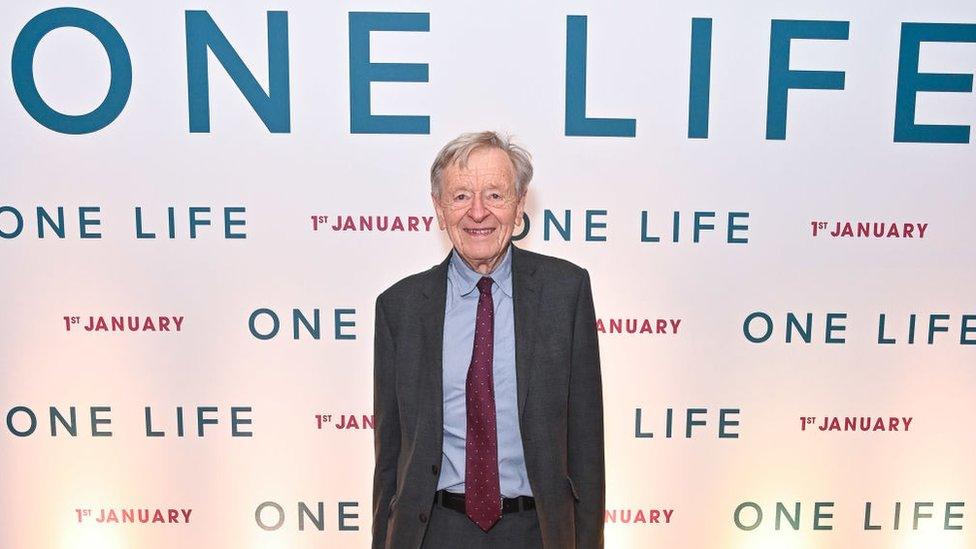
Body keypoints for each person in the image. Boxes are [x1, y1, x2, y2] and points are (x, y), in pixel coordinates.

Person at [372, 131, 604, 548]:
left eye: (495, 195)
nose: (478, 212)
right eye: (461, 196)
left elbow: (587, 445)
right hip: (433, 532)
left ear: (519, 206)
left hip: (536, 532)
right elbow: (389, 460)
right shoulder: (400, 308)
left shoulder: (565, 292)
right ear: (439, 209)